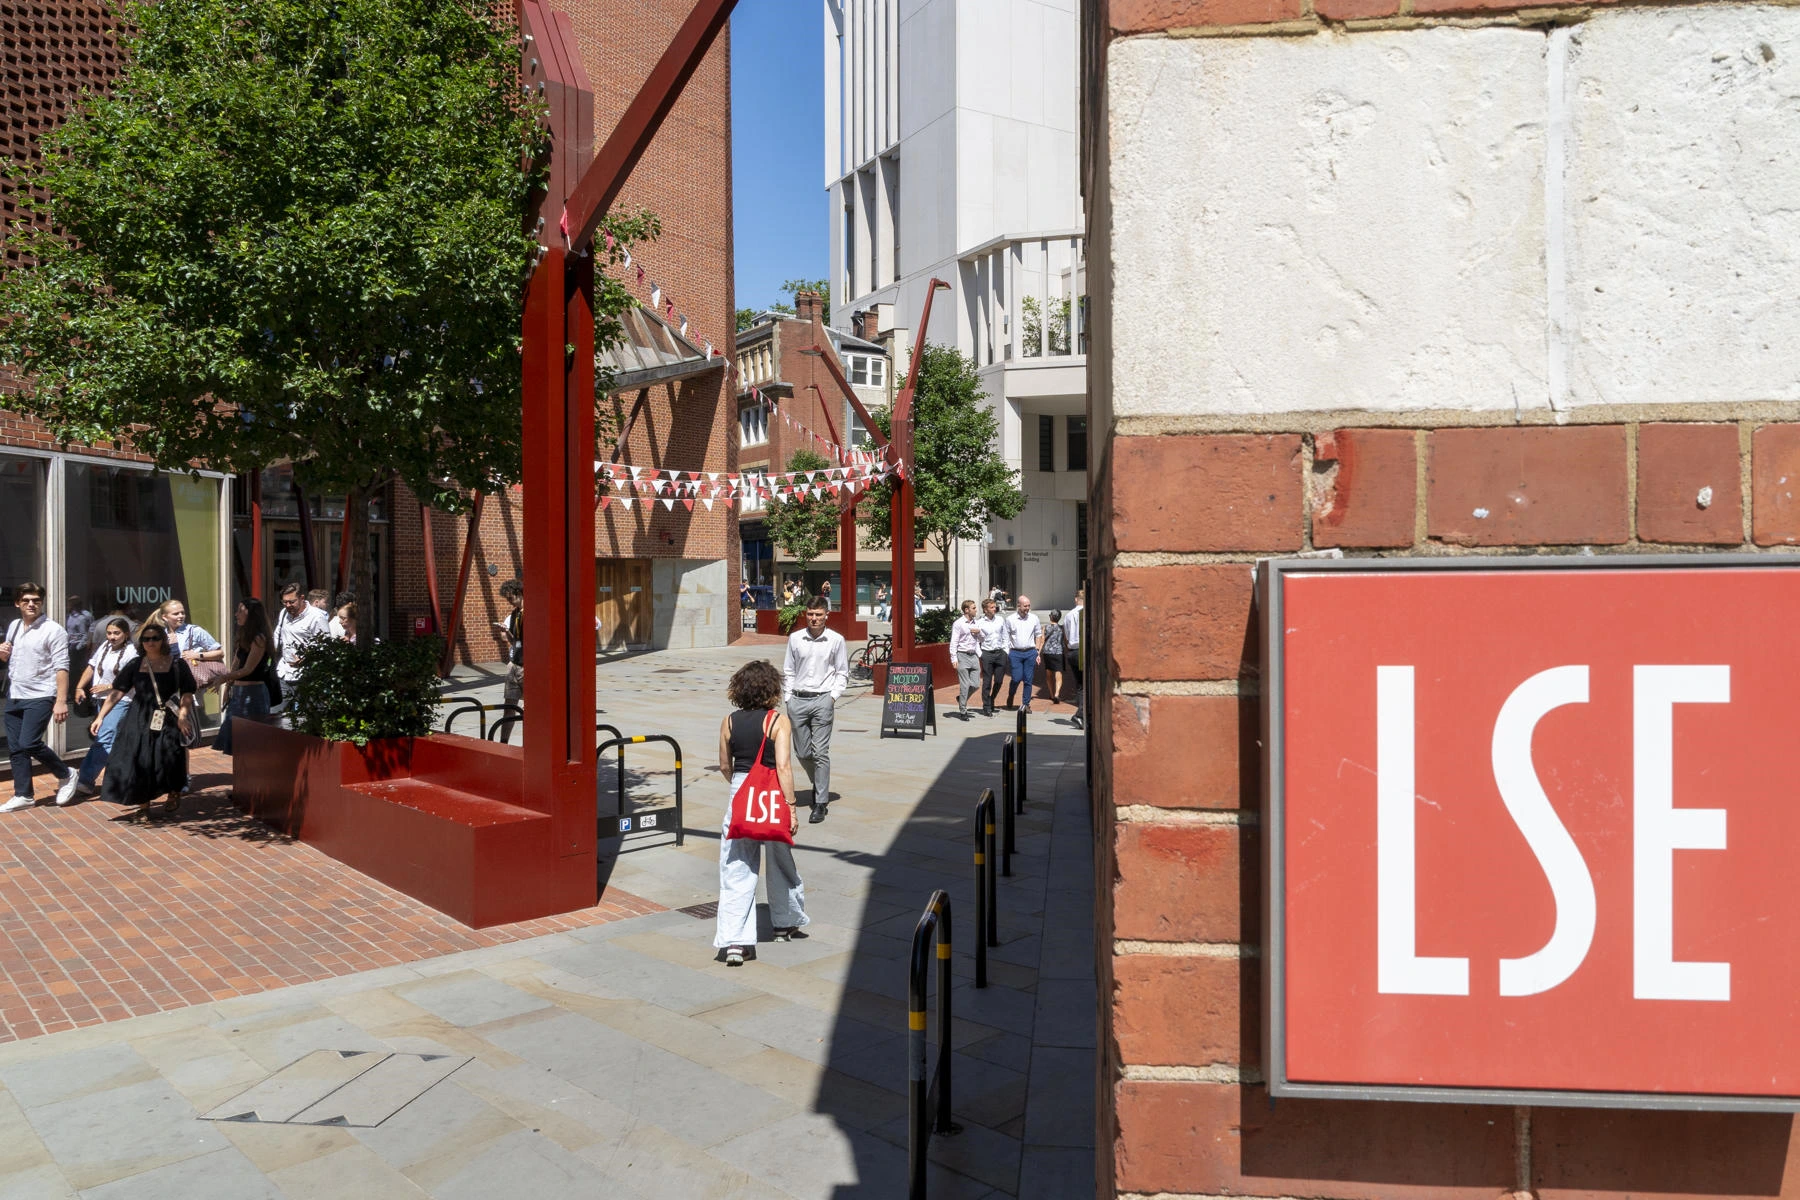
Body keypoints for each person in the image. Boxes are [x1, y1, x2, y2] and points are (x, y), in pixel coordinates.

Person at [714, 659, 807, 966]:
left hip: (740, 793)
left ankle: (736, 943)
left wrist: (740, 786)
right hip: (772, 795)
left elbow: (725, 766)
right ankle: (783, 922)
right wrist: (791, 807)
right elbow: (783, 766)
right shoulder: (778, 721)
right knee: (780, 859)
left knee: (736, 868)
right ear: (772, 689)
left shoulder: (728, 721)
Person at [94, 621, 196, 821]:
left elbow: (187, 692)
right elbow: (118, 691)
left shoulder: (177, 664)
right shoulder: (135, 664)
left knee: (171, 755)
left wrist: (183, 717)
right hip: (139, 715)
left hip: (168, 715)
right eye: (146, 639)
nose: (150, 642)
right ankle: (143, 806)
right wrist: (100, 716)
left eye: (155, 638)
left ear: (163, 641)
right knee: (140, 758)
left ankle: (174, 791)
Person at [1, 583, 78, 811]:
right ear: (18, 603)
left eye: (36, 600)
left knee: (29, 742)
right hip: (15, 694)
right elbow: (13, 660)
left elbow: (62, 667)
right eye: (26, 601)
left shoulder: (53, 630)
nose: (31, 604)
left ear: (42, 603)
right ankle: (23, 795)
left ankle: (67, 773)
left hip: (41, 694)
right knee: (16, 748)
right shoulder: (14, 626)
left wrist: (61, 701)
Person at [783, 596, 848, 824]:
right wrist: (788, 697)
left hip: (823, 700)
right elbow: (789, 670)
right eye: (810, 614)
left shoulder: (836, 640)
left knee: (820, 752)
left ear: (826, 615)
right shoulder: (795, 638)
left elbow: (842, 671)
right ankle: (818, 783)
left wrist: (832, 697)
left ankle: (820, 802)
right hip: (798, 700)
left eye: (818, 615)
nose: (814, 618)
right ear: (806, 614)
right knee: (802, 752)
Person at [72, 617, 137, 795]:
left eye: (117, 633)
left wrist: (108, 686)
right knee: (108, 739)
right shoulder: (105, 647)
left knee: (104, 739)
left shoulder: (132, 652)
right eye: (109, 633)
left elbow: (132, 680)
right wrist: (79, 686)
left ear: (126, 634)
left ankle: (85, 780)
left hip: (120, 700)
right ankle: (121, 779)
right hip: (100, 700)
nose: (112, 637)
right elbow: (91, 666)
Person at [212, 599, 273, 756]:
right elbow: (236, 664)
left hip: (253, 694)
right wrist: (228, 687)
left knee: (249, 740)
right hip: (239, 693)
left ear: (250, 614)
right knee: (235, 739)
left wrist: (223, 678)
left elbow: (248, 669)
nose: (236, 614)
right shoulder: (244, 635)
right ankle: (242, 776)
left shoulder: (259, 638)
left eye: (240, 610)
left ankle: (251, 776)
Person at [272, 582, 330, 702]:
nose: (288, 605)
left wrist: (307, 659)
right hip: (284, 673)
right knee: (276, 716)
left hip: (307, 676)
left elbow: (325, 645)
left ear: (302, 598)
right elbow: (277, 635)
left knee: (305, 717)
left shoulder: (316, 617)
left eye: (291, 602)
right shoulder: (284, 613)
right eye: (285, 602)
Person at [159, 598, 229, 690]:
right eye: (176, 614)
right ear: (165, 617)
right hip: (168, 682)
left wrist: (196, 655)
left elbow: (219, 653)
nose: (181, 616)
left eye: (182, 613)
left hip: (191, 680)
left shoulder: (194, 631)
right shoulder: (161, 635)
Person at [1003, 594, 1045, 714]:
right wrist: (1007, 653)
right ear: (1018, 606)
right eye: (1025, 606)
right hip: (1015, 653)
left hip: (1030, 652)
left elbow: (1038, 635)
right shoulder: (1010, 619)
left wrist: (1037, 652)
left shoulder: (1034, 618)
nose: (1027, 608)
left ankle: (1026, 704)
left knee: (1028, 679)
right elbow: (1006, 637)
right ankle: (1011, 695)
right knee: (1016, 678)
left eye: (1028, 606)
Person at [975, 597, 1008, 717]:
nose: (995, 609)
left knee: (999, 680)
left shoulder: (1000, 620)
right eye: (992, 607)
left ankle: (992, 698)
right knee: (987, 681)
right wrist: (981, 654)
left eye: (995, 607)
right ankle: (986, 706)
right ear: (985, 610)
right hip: (987, 653)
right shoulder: (979, 622)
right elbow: (976, 641)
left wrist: (1006, 651)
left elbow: (1005, 635)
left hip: (1000, 653)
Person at [950, 600, 982, 719]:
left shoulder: (976, 623)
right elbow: (954, 642)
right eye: (973, 608)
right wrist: (954, 658)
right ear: (967, 610)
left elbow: (982, 639)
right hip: (962, 655)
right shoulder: (958, 623)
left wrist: (979, 632)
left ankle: (960, 698)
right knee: (965, 684)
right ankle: (963, 710)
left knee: (976, 684)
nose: (976, 610)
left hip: (974, 655)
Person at [496, 579, 523, 705]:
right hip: (514, 664)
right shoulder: (514, 614)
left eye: (511, 598)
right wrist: (506, 631)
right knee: (509, 707)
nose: (509, 602)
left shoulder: (533, 613)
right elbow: (514, 641)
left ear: (519, 593)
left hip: (526, 666)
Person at [1062, 590, 1085, 729]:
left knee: (1080, 685)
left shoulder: (1069, 615)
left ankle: (1081, 714)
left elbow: (1066, 636)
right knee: (1085, 685)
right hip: (1083, 650)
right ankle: (1081, 714)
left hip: (1073, 650)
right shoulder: (1088, 612)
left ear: (1076, 599)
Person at [1042, 609, 1067, 708]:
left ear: (1050, 616)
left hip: (1047, 652)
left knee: (1049, 673)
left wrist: (1038, 652)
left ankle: (1052, 694)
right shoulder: (1062, 628)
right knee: (1058, 673)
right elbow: (1065, 640)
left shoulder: (1045, 627)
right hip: (1058, 652)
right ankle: (1057, 693)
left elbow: (1043, 640)